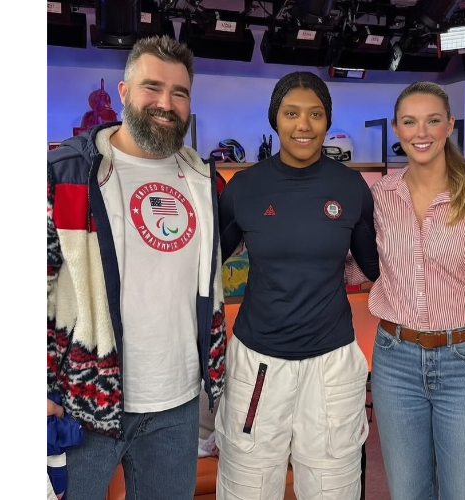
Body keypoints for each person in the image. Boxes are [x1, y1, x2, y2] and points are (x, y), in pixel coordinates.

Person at [46, 35, 227, 500]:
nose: (166, 103)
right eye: (152, 87)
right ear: (124, 92)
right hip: (84, 399)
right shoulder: (65, 173)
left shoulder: (204, 180)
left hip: (178, 402)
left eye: (179, 92)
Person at [214, 71, 380, 500]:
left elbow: (377, 266)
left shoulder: (351, 186)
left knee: (332, 489)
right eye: (291, 113)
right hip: (257, 363)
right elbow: (205, 263)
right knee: (247, 488)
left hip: (331, 364)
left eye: (315, 114)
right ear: (275, 119)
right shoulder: (245, 188)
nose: (303, 125)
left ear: (327, 121)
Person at [348, 81, 465, 500]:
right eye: (410, 122)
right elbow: (361, 266)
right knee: (408, 491)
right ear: (396, 128)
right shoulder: (379, 196)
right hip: (395, 359)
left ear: (449, 124)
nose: (421, 132)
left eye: (433, 121)